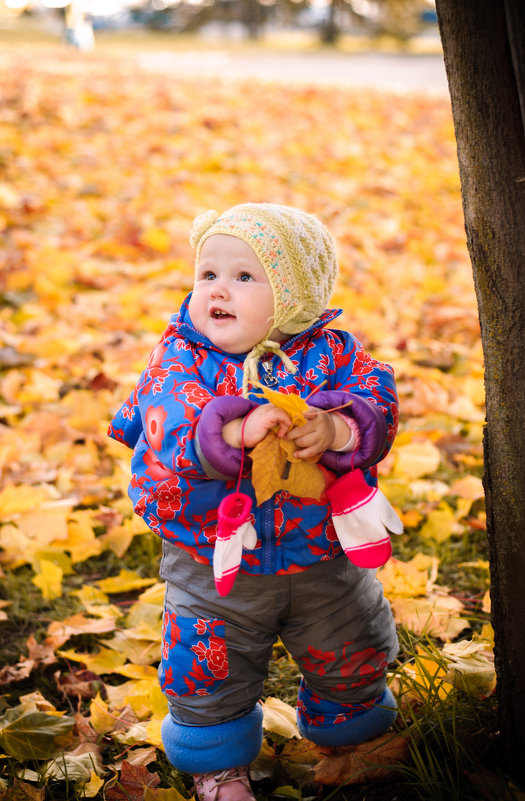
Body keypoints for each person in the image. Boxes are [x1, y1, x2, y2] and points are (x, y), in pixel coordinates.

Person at [108, 203, 403, 801]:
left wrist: (339, 428)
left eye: (244, 277)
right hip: (214, 560)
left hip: (323, 553)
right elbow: (163, 423)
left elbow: (377, 392)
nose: (218, 289)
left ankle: (349, 730)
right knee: (207, 663)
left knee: (350, 643)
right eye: (208, 274)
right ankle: (218, 764)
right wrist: (229, 433)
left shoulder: (335, 351)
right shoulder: (181, 357)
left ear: (293, 297)